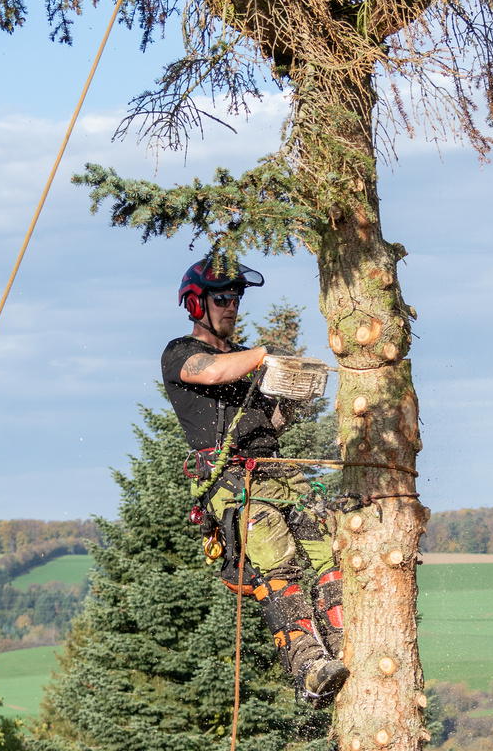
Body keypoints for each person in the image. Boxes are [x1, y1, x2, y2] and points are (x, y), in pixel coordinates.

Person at [161, 255, 350, 703]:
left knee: (330, 552)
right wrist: (264, 356)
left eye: (237, 298)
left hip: (279, 472)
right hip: (234, 483)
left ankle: (348, 640)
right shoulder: (181, 354)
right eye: (223, 298)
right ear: (197, 303)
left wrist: (295, 396)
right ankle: (308, 666)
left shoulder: (244, 365)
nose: (232, 306)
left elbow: (268, 425)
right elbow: (211, 371)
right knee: (276, 565)